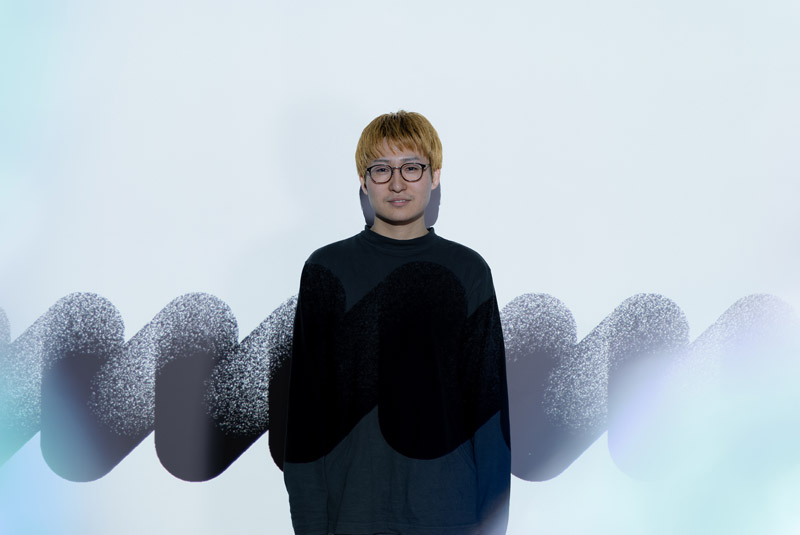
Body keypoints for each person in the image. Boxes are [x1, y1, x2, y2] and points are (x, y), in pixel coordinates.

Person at [283, 111, 510, 535]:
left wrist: (492, 526)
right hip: (350, 515)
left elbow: (489, 413)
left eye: (411, 167)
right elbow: (305, 415)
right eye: (381, 169)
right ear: (363, 180)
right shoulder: (326, 269)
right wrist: (311, 525)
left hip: (450, 517)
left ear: (434, 176)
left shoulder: (469, 271)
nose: (397, 183)